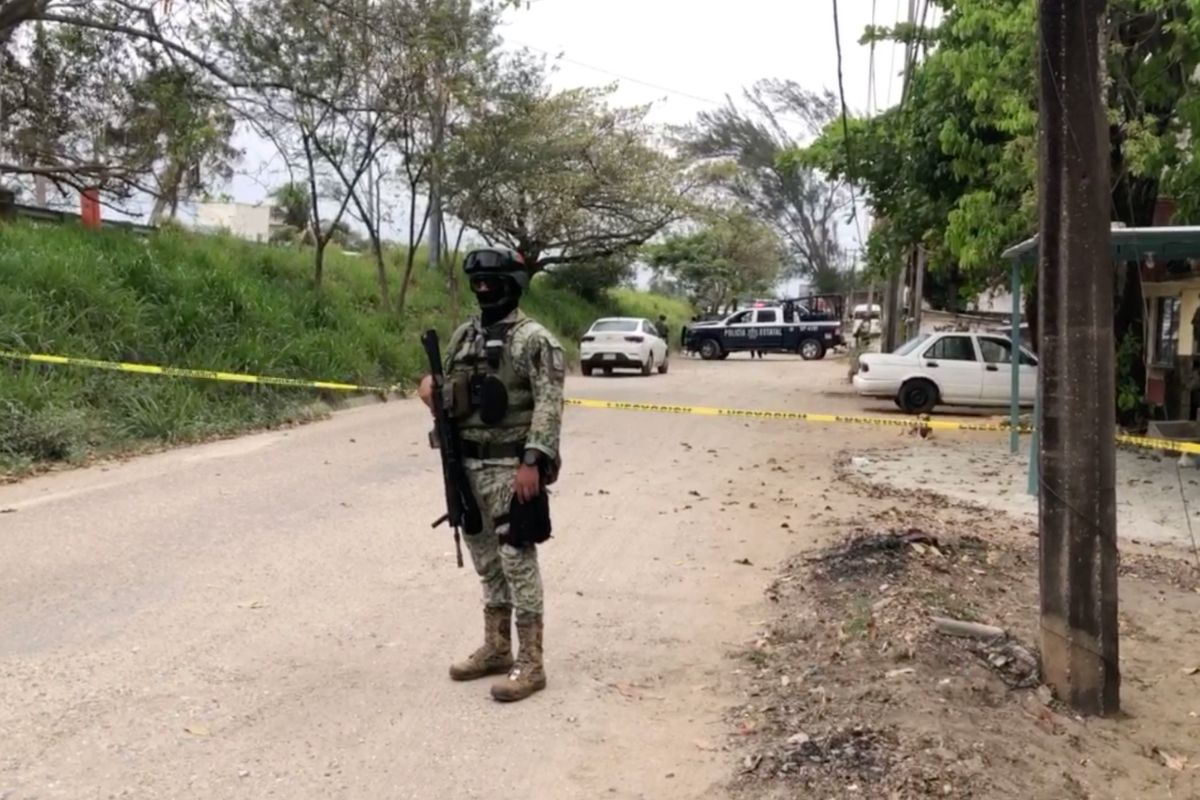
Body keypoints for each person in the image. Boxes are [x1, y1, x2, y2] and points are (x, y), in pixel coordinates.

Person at [417, 247, 565, 703]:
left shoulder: (535, 340)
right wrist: (430, 392)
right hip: (467, 466)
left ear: (512, 286)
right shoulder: (464, 337)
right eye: (476, 284)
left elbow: (548, 405)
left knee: (517, 559)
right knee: (486, 561)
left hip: (511, 468)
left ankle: (532, 663)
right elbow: (450, 396)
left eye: (491, 284)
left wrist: (532, 463)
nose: (483, 290)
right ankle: (498, 648)